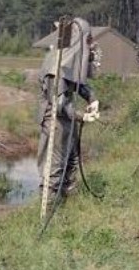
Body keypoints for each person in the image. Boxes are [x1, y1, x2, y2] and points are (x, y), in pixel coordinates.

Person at [37, 17, 100, 204]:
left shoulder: (68, 61)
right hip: (54, 120)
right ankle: (48, 211)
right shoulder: (54, 66)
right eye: (87, 40)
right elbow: (59, 104)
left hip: (67, 119)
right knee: (55, 167)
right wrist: (83, 116)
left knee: (71, 161)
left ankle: (65, 204)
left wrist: (92, 98)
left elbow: (78, 83)